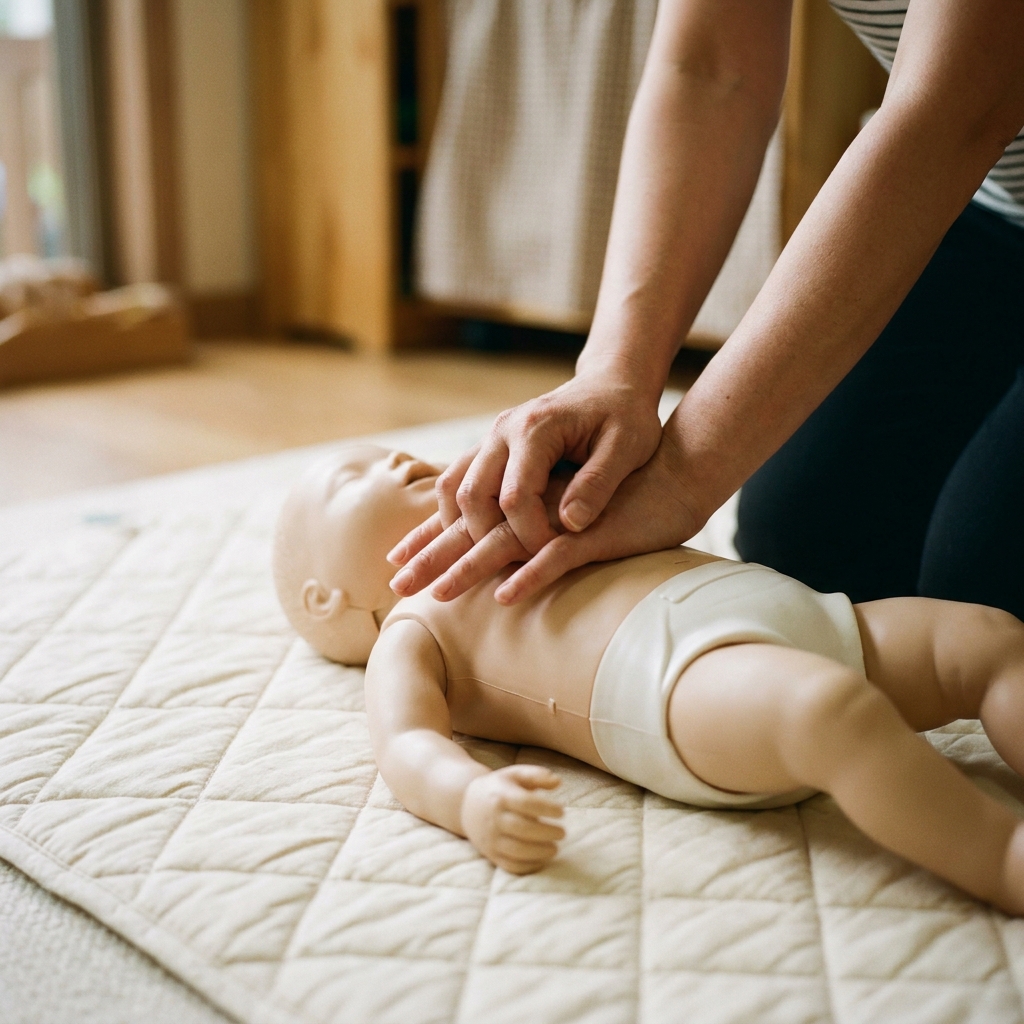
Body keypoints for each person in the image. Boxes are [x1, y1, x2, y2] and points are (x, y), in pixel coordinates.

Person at [386, 0, 1024, 621]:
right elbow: (710, 69)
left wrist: (684, 480)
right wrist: (613, 373)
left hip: (959, 139)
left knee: (985, 592)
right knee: (808, 548)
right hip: (990, 207)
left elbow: (960, 104)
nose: (390, 463)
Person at [273, 443, 1024, 913]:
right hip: (681, 683)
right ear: (326, 599)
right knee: (833, 713)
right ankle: (996, 855)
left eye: (385, 451)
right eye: (352, 477)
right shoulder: (415, 626)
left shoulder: (512, 516)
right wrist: (470, 798)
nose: (395, 461)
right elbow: (405, 745)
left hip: (801, 614)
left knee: (985, 637)